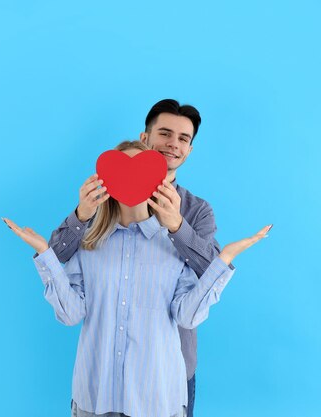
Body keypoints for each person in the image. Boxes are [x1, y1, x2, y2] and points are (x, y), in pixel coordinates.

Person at [3, 140, 270, 417]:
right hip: (94, 398)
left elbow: (187, 317)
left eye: (141, 171)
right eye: (122, 171)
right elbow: (70, 314)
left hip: (157, 400)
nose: (131, 178)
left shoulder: (174, 247)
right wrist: (45, 254)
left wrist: (223, 260)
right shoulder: (89, 245)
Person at [49, 99, 217, 417]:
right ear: (144, 139)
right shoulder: (104, 200)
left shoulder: (197, 211)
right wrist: (80, 215)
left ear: (190, 150)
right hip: (104, 377)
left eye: (184, 139)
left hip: (169, 373)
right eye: (165, 133)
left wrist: (178, 227)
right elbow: (53, 260)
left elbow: (214, 276)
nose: (173, 144)